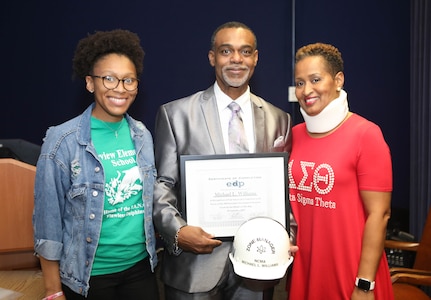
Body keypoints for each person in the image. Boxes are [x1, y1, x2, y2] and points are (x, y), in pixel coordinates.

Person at [153, 21, 293, 300]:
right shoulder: (176, 114)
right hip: (194, 266)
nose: (236, 60)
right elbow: (162, 184)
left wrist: (288, 236)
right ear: (212, 57)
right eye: (226, 51)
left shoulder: (280, 119)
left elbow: (283, 190)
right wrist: (178, 232)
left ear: (255, 58)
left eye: (245, 51)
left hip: (258, 263)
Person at [32, 29, 159, 300]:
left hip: (140, 269)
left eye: (128, 80)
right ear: (90, 83)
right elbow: (48, 220)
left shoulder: (142, 135)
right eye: (109, 79)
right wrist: (53, 290)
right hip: (89, 276)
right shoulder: (62, 141)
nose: (120, 89)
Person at [287, 42, 394, 299]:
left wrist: (364, 283)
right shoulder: (294, 135)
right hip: (306, 268)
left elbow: (379, 215)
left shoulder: (366, 135)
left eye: (315, 79)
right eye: (299, 83)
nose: (306, 90)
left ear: (338, 80)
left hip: (352, 271)